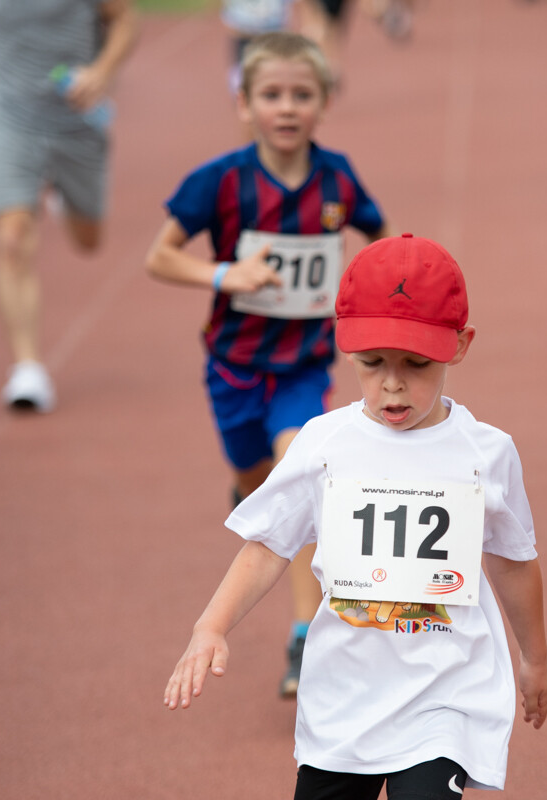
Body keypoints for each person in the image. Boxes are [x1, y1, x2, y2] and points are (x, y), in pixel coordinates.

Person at [163, 233, 547, 797]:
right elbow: (270, 546)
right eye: (372, 363)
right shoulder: (325, 444)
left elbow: (514, 560)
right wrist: (211, 625)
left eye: (416, 364)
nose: (392, 384)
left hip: (444, 692)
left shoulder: (487, 453)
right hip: (343, 697)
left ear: (459, 345)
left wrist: (533, 659)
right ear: (346, 348)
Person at [146, 31, 389, 699]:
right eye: (272, 95)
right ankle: (250, 491)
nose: (287, 108)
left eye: (302, 95)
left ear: (324, 103)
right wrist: (224, 273)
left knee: (302, 476)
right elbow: (159, 256)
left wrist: (367, 286)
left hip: (303, 368)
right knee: (256, 480)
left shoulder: (337, 177)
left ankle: (303, 635)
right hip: (233, 369)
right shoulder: (220, 181)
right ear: (244, 105)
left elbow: (376, 232)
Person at [0, 0, 139, 413]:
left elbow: (125, 22)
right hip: (11, 120)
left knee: (88, 241)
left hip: (79, 122)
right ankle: (28, 368)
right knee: (12, 239)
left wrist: (101, 72)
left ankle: (65, 196)